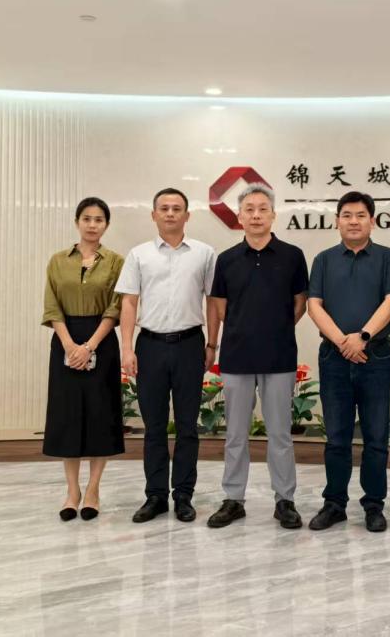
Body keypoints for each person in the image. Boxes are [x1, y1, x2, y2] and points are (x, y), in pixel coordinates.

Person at [206, 183, 309, 529]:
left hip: (279, 356)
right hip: (237, 357)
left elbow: (299, 304)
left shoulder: (292, 256)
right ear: (239, 216)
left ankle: (285, 500)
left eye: (263, 209)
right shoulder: (227, 260)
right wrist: (244, 329)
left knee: (279, 433)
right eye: (249, 209)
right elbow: (219, 307)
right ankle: (233, 499)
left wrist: (274, 328)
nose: (256, 215)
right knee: (236, 433)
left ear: (273, 215)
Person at [116, 188, 217, 524]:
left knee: (188, 426)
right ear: (153, 214)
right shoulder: (139, 255)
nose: (170, 213)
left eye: (177, 208)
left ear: (187, 215)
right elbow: (129, 302)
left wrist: (212, 344)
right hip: (150, 346)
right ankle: (156, 496)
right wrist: (127, 348)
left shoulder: (204, 253)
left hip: (190, 345)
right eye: (164, 208)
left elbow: (214, 302)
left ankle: (184, 495)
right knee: (154, 426)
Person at [306, 191, 390, 533]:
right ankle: (334, 504)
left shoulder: (387, 257)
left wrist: (362, 336)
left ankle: (374, 505)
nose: (354, 221)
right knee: (336, 437)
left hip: (374, 356)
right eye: (347, 215)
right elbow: (313, 305)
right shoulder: (323, 259)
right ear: (337, 221)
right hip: (334, 358)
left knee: (376, 436)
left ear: (372, 221)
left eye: (361, 215)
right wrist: (342, 342)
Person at [41, 197, 125, 522]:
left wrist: (88, 347)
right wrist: (69, 345)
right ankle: (72, 491)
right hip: (65, 339)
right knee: (68, 415)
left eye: (99, 219)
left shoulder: (116, 262)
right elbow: (52, 306)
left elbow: (116, 307)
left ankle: (93, 490)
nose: (92, 224)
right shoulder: (57, 261)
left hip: (101, 341)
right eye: (87, 218)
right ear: (77, 222)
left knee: (100, 414)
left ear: (106, 225)